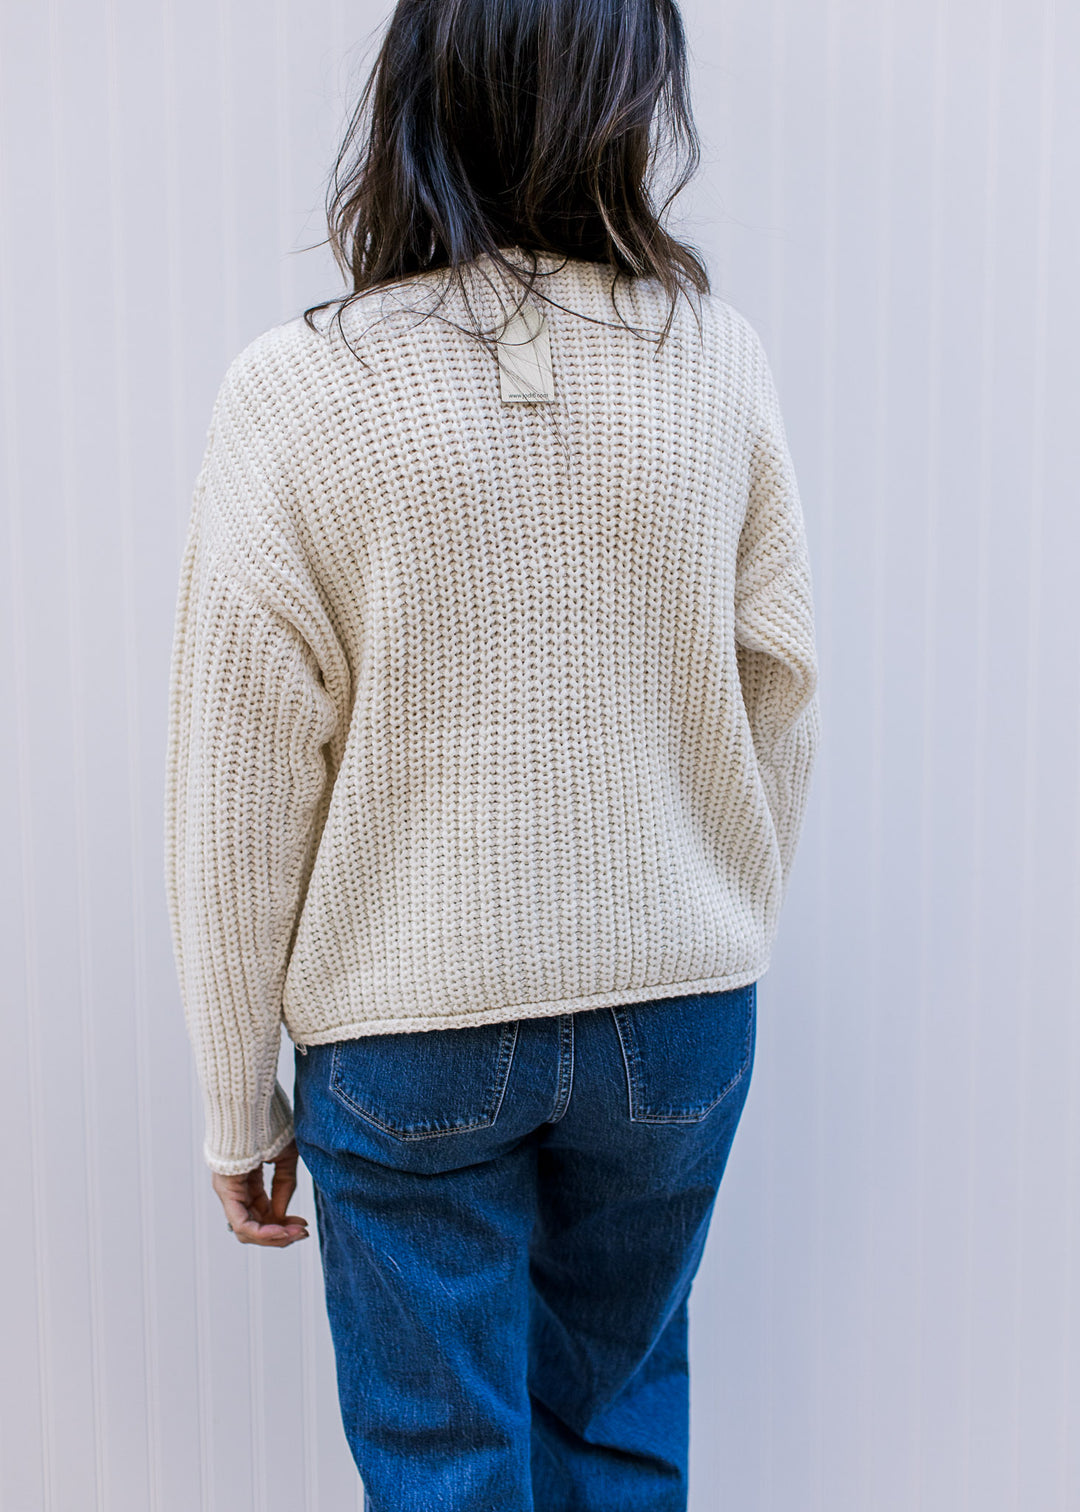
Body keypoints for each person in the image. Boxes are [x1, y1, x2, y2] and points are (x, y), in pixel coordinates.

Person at [162, 0, 821, 1506]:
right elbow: (782, 687)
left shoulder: (301, 388)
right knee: (622, 1425)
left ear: (420, 88)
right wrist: (709, 908)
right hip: (679, 1012)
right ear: (629, 94)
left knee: (446, 1467)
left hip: (409, 1024)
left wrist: (234, 1095)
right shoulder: (712, 361)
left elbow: (239, 780)